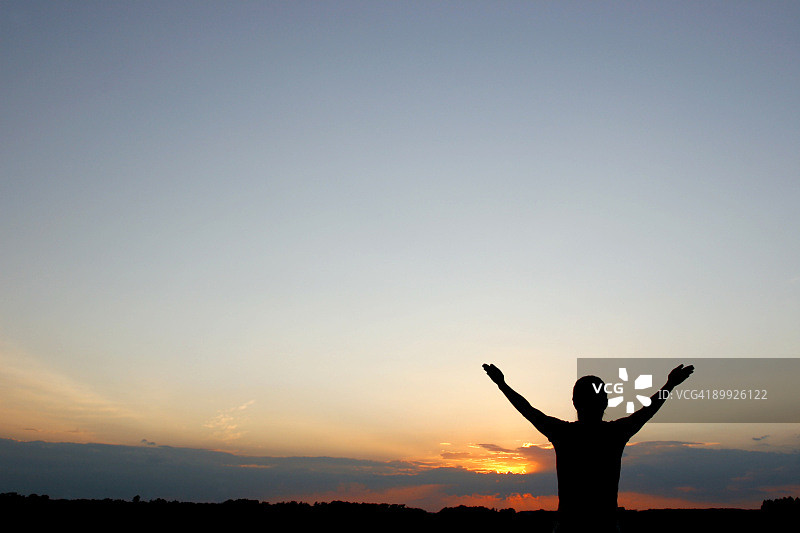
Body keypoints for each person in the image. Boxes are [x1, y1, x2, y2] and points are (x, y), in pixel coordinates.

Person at [483, 362, 694, 532]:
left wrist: (502, 384)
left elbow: (527, 410)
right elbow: (649, 410)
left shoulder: (563, 433)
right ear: (606, 402)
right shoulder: (615, 433)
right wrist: (670, 385)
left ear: (574, 402)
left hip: (570, 529)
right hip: (605, 529)